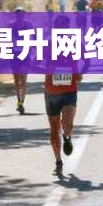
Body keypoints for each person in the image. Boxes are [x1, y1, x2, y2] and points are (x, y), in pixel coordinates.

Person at [44, 23, 82, 176]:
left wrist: (80, 73)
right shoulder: (47, 44)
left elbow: (86, 60)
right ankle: (58, 161)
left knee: (68, 124)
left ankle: (67, 137)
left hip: (69, 90)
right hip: (51, 92)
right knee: (54, 131)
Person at [10, 7, 32, 115]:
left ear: (24, 15)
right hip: (14, 55)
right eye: (18, 15)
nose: (20, 16)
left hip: (25, 54)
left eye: (22, 14)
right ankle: (18, 101)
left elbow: (34, 37)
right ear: (15, 15)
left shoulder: (28, 25)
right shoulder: (10, 25)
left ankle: (21, 102)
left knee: (23, 79)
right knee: (16, 81)